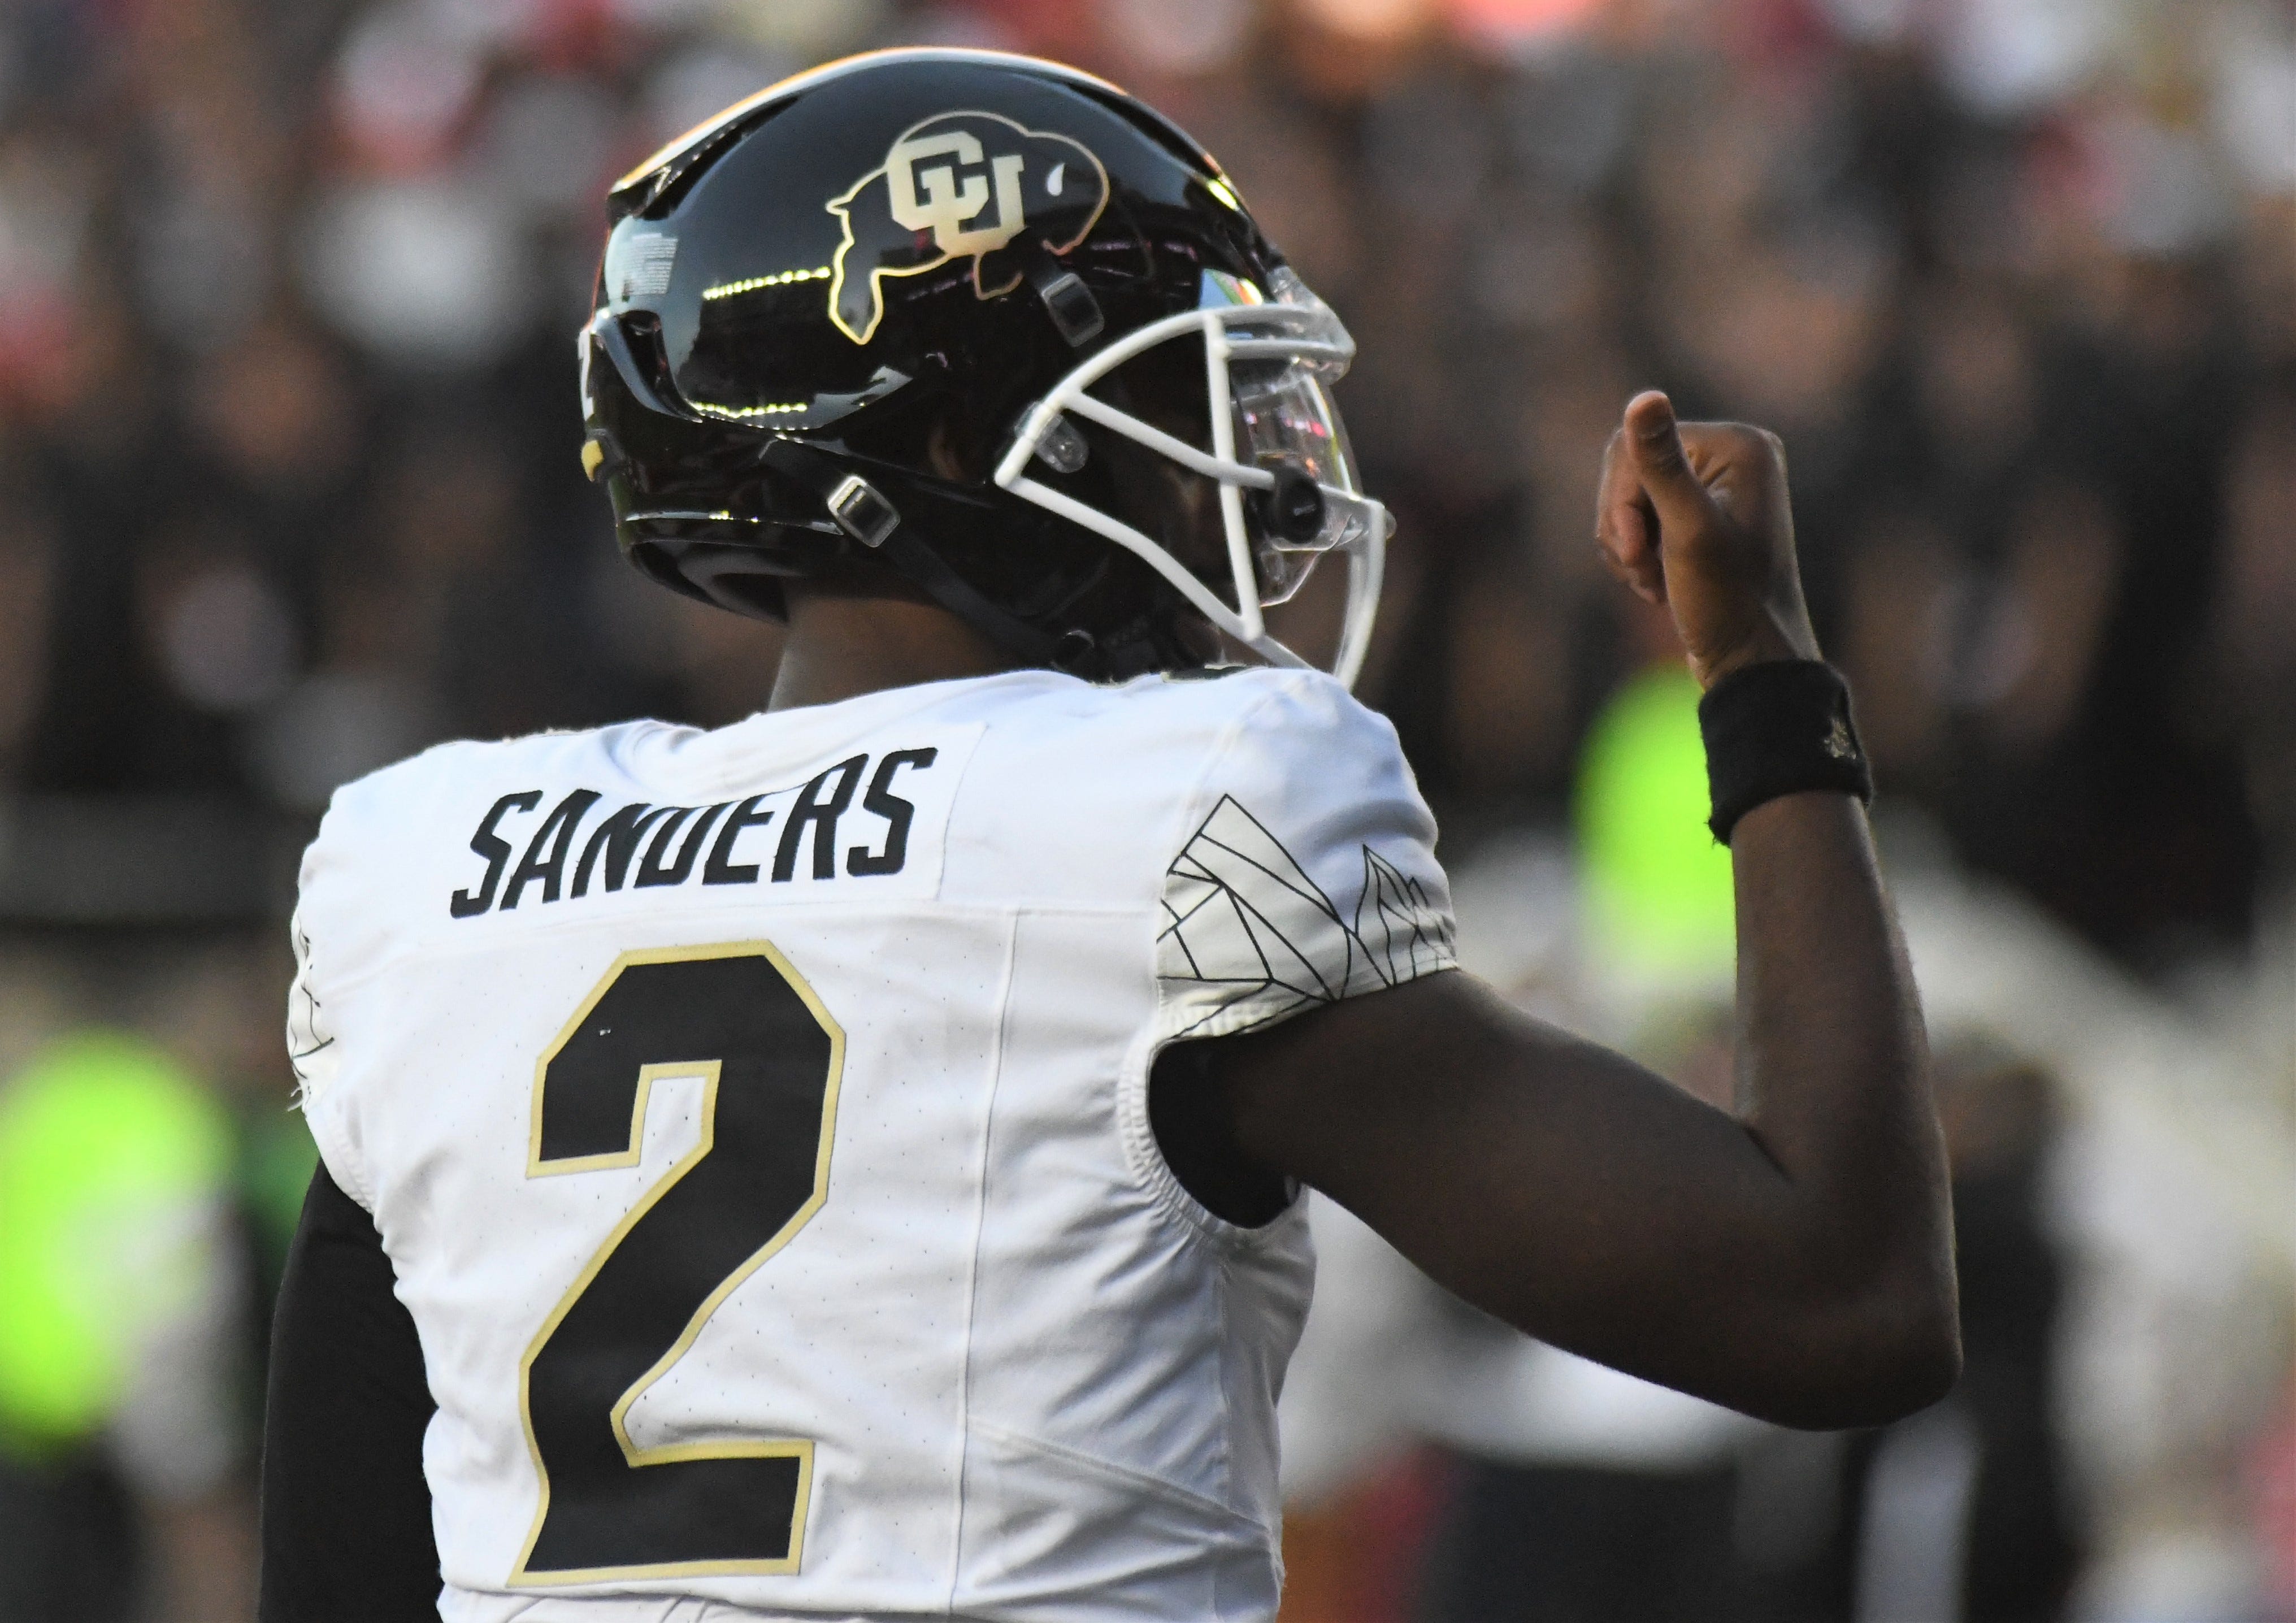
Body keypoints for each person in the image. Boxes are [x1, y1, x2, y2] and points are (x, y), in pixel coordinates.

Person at [258, 48, 1958, 1623]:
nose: (1242, 480)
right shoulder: (1167, 819)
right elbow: (1843, 1299)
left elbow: (331, 1573)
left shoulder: (436, 874)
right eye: (1178, 409)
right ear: (945, 445)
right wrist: (1765, 676)